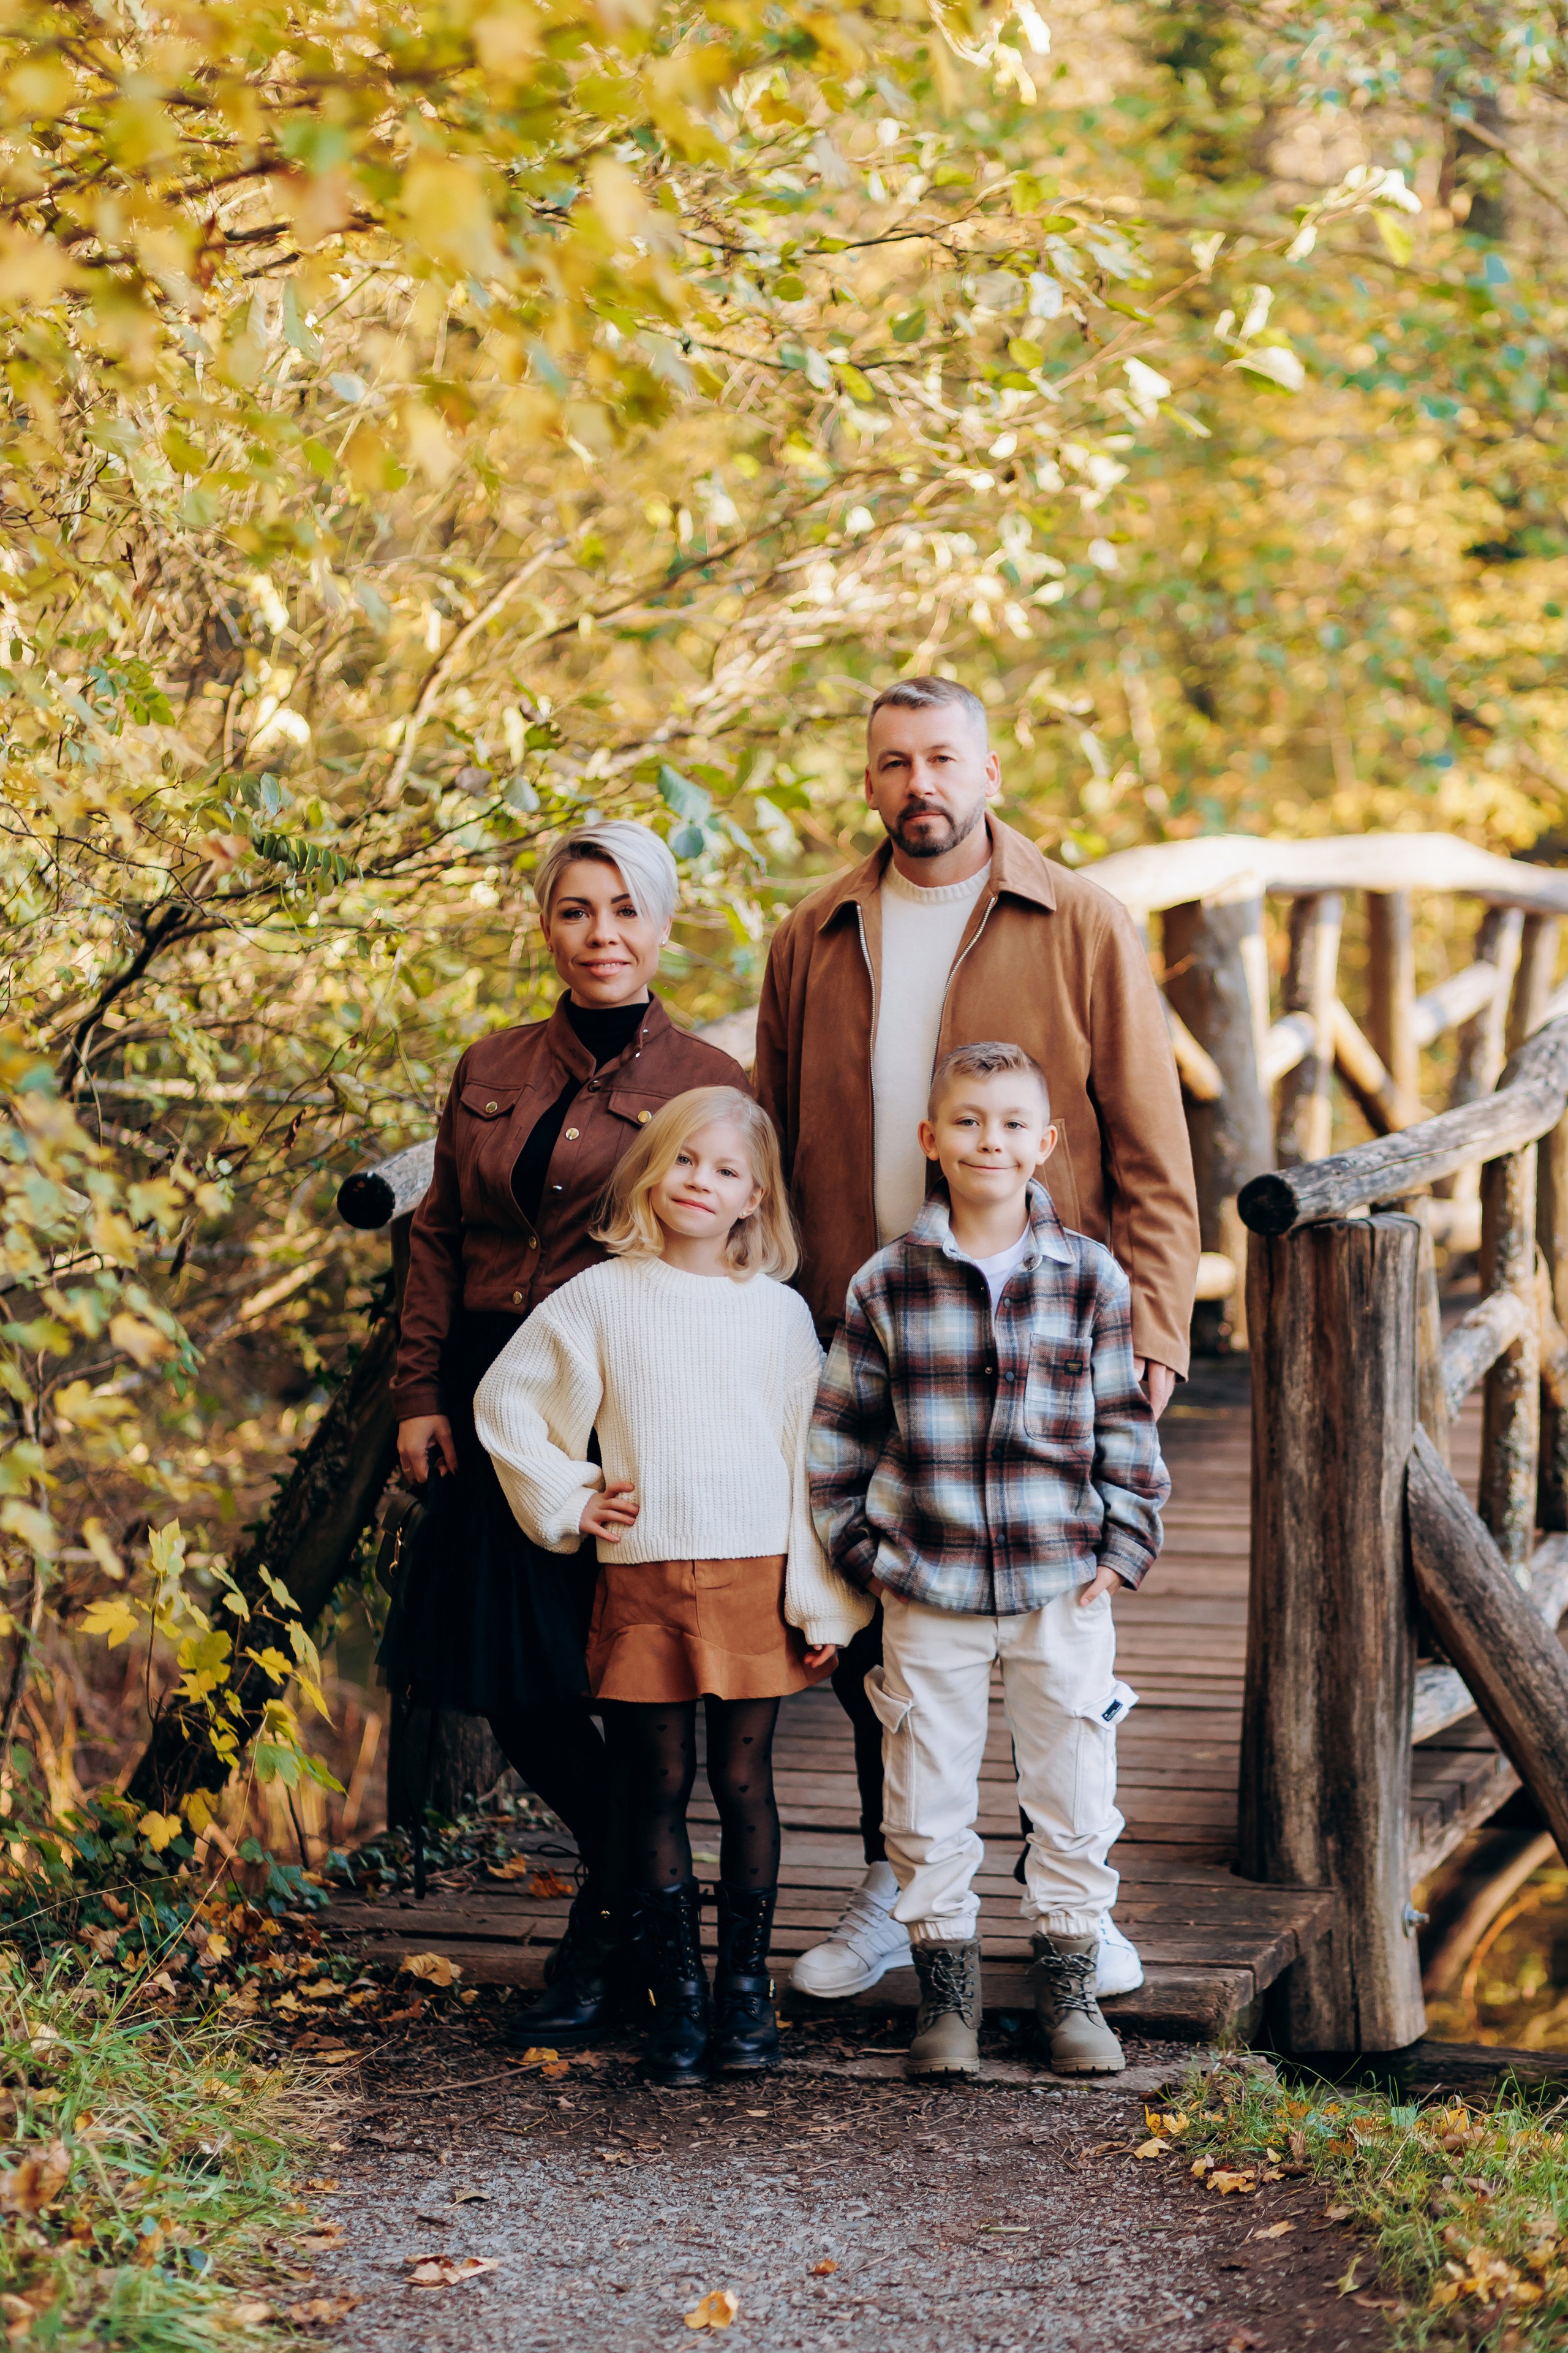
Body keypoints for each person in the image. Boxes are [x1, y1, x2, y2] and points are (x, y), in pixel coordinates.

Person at [755, 673, 1197, 2001]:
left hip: (1040, 1330)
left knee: (1058, 1651)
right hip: (868, 1323)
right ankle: (903, 1887)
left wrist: (1157, 1323)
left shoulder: (1081, 921)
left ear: (990, 773)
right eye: (892, 763)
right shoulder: (814, 933)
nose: (917, 785)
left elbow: (1152, 1144)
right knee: (888, 1626)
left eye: (942, 759)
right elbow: (772, 1132)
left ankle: (1070, 1905)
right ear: (870, 779)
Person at [383, 821, 748, 2045]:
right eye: (577, 910)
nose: (601, 935)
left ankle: (612, 1946)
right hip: (500, 1393)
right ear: (548, 924)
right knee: (510, 1676)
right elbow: (435, 1232)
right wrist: (418, 1391)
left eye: (625, 911)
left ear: (661, 924)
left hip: (626, 1390)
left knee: (610, 1662)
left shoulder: (705, 1077)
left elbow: (733, 1241)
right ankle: (634, 1907)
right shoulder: (492, 1060)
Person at [473, 1087, 870, 2085]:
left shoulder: (777, 1315)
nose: (701, 1182)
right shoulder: (603, 1296)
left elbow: (809, 1461)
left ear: (755, 1200)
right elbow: (508, 1401)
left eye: (726, 1171)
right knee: (654, 1784)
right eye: (684, 1161)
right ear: (651, 1172)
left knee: (743, 1786)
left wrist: (822, 1601)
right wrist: (572, 1494)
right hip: (644, 1576)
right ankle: (678, 1998)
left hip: (751, 1574)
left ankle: (744, 1994)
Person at [809, 1041, 1169, 2078]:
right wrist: (864, 1550)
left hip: (1065, 1577)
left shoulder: (1090, 1275)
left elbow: (1122, 1424)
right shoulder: (886, 1283)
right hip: (931, 1582)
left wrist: (1123, 1543)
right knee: (924, 1792)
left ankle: (1068, 1991)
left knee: (1073, 1785)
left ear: (1045, 1143)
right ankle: (947, 1998)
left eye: (1012, 1122)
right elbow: (839, 1434)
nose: (989, 1140)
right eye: (967, 1121)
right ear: (931, 1139)